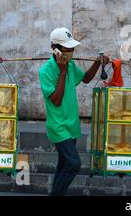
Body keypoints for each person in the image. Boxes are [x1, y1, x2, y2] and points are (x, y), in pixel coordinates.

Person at [38, 27, 108, 196]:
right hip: (58, 126)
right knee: (73, 164)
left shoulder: (70, 65)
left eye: (72, 48)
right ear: (55, 49)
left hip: (71, 125)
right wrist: (62, 72)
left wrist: (98, 63)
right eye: (67, 48)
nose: (70, 52)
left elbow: (85, 78)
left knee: (63, 165)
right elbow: (56, 99)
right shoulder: (46, 71)